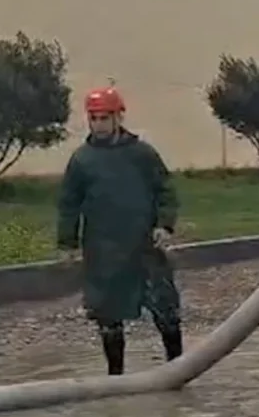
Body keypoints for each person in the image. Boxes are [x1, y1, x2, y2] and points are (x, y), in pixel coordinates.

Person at [56, 86, 184, 375]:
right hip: (103, 250)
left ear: (118, 117)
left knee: (166, 310)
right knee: (107, 317)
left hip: (144, 246)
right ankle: (116, 378)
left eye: (105, 118)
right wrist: (67, 243)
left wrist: (165, 225)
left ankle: (178, 371)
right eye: (94, 118)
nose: (99, 124)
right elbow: (68, 204)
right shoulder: (82, 160)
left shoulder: (142, 154)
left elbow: (165, 190)